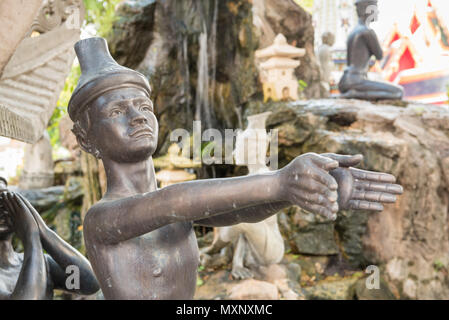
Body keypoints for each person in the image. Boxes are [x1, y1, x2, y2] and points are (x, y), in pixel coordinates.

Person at [68, 37, 403, 299]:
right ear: (86, 139)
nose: (138, 116)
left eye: (143, 106)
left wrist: (302, 189)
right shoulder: (102, 219)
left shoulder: (177, 208)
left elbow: (238, 211)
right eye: (115, 112)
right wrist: (281, 181)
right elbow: (171, 203)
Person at [0, 177, 99, 299]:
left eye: (5, 199)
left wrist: (43, 231)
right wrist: (31, 236)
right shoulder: (35, 260)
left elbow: (89, 283)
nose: (2, 208)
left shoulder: (42, 263)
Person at [338, 0, 404, 100]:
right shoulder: (367, 32)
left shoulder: (352, 33)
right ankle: (355, 94)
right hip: (356, 80)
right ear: (367, 10)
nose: (377, 12)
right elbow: (379, 55)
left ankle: (354, 93)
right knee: (398, 92)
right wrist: (393, 48)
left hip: (344, 81)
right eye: (375, 8)